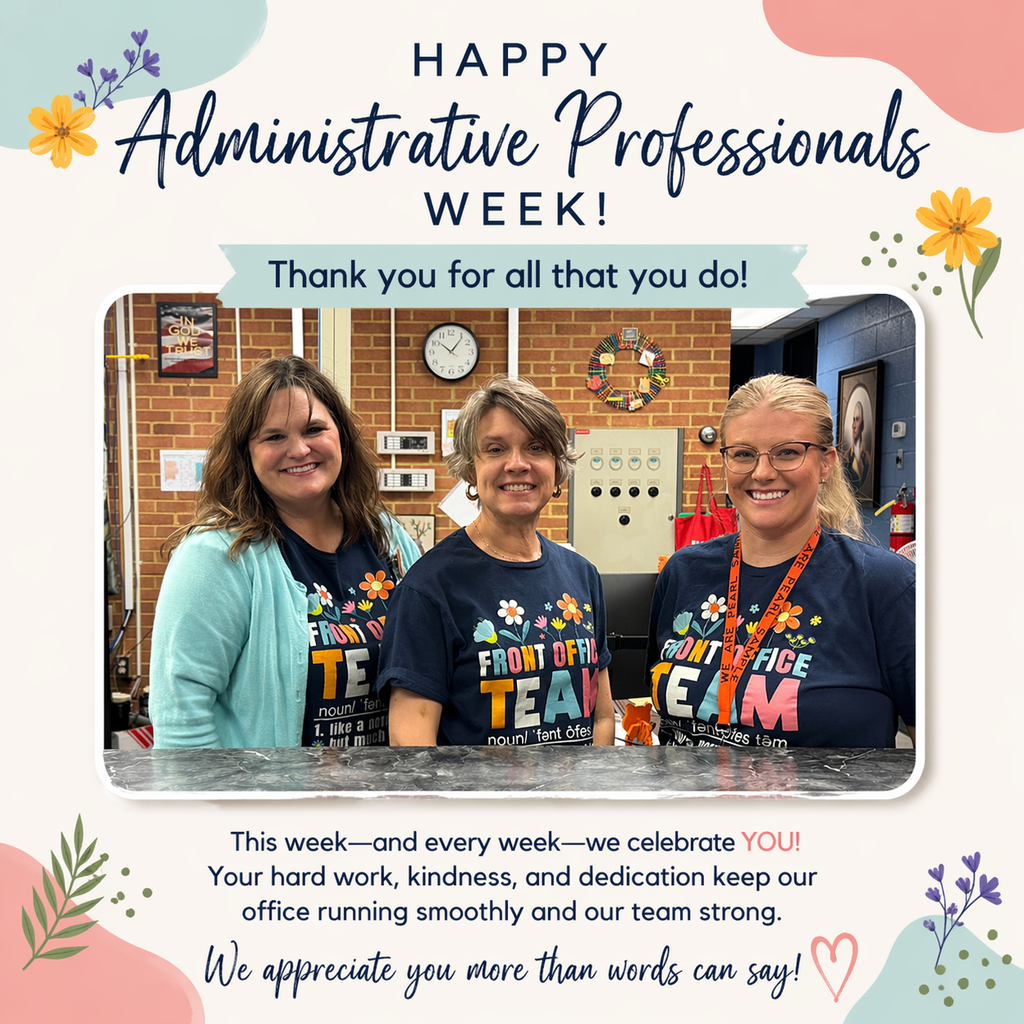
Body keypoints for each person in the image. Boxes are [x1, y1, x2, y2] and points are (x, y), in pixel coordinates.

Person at [149, 356, 420, 749]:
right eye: (273, 437)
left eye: (314, 429)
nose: (298, 449)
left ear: (340, 435)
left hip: (383, 801)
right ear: (246, 453)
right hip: (274, 805)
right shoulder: (216, 557)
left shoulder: (386, 536)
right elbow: (181, 722)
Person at [647, 374, 915, 748]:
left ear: (826, 463)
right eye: (742, 454)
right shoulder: (684, 572)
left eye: (787, 451)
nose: (762, 472)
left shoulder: (886, 585)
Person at [377, 376, 615, 746]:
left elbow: (601, 719)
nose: (517, 464)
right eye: (495, 449)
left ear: (557, 467)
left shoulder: (581, 575)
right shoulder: (430, 588)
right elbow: (413, 755)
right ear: (471, 470)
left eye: (536, 447)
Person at [843, 398, 872, 498]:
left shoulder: (867, 457)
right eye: (853, 420)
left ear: (862, 424)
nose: (854, 425)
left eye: (857, 419)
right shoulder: (846, 457)